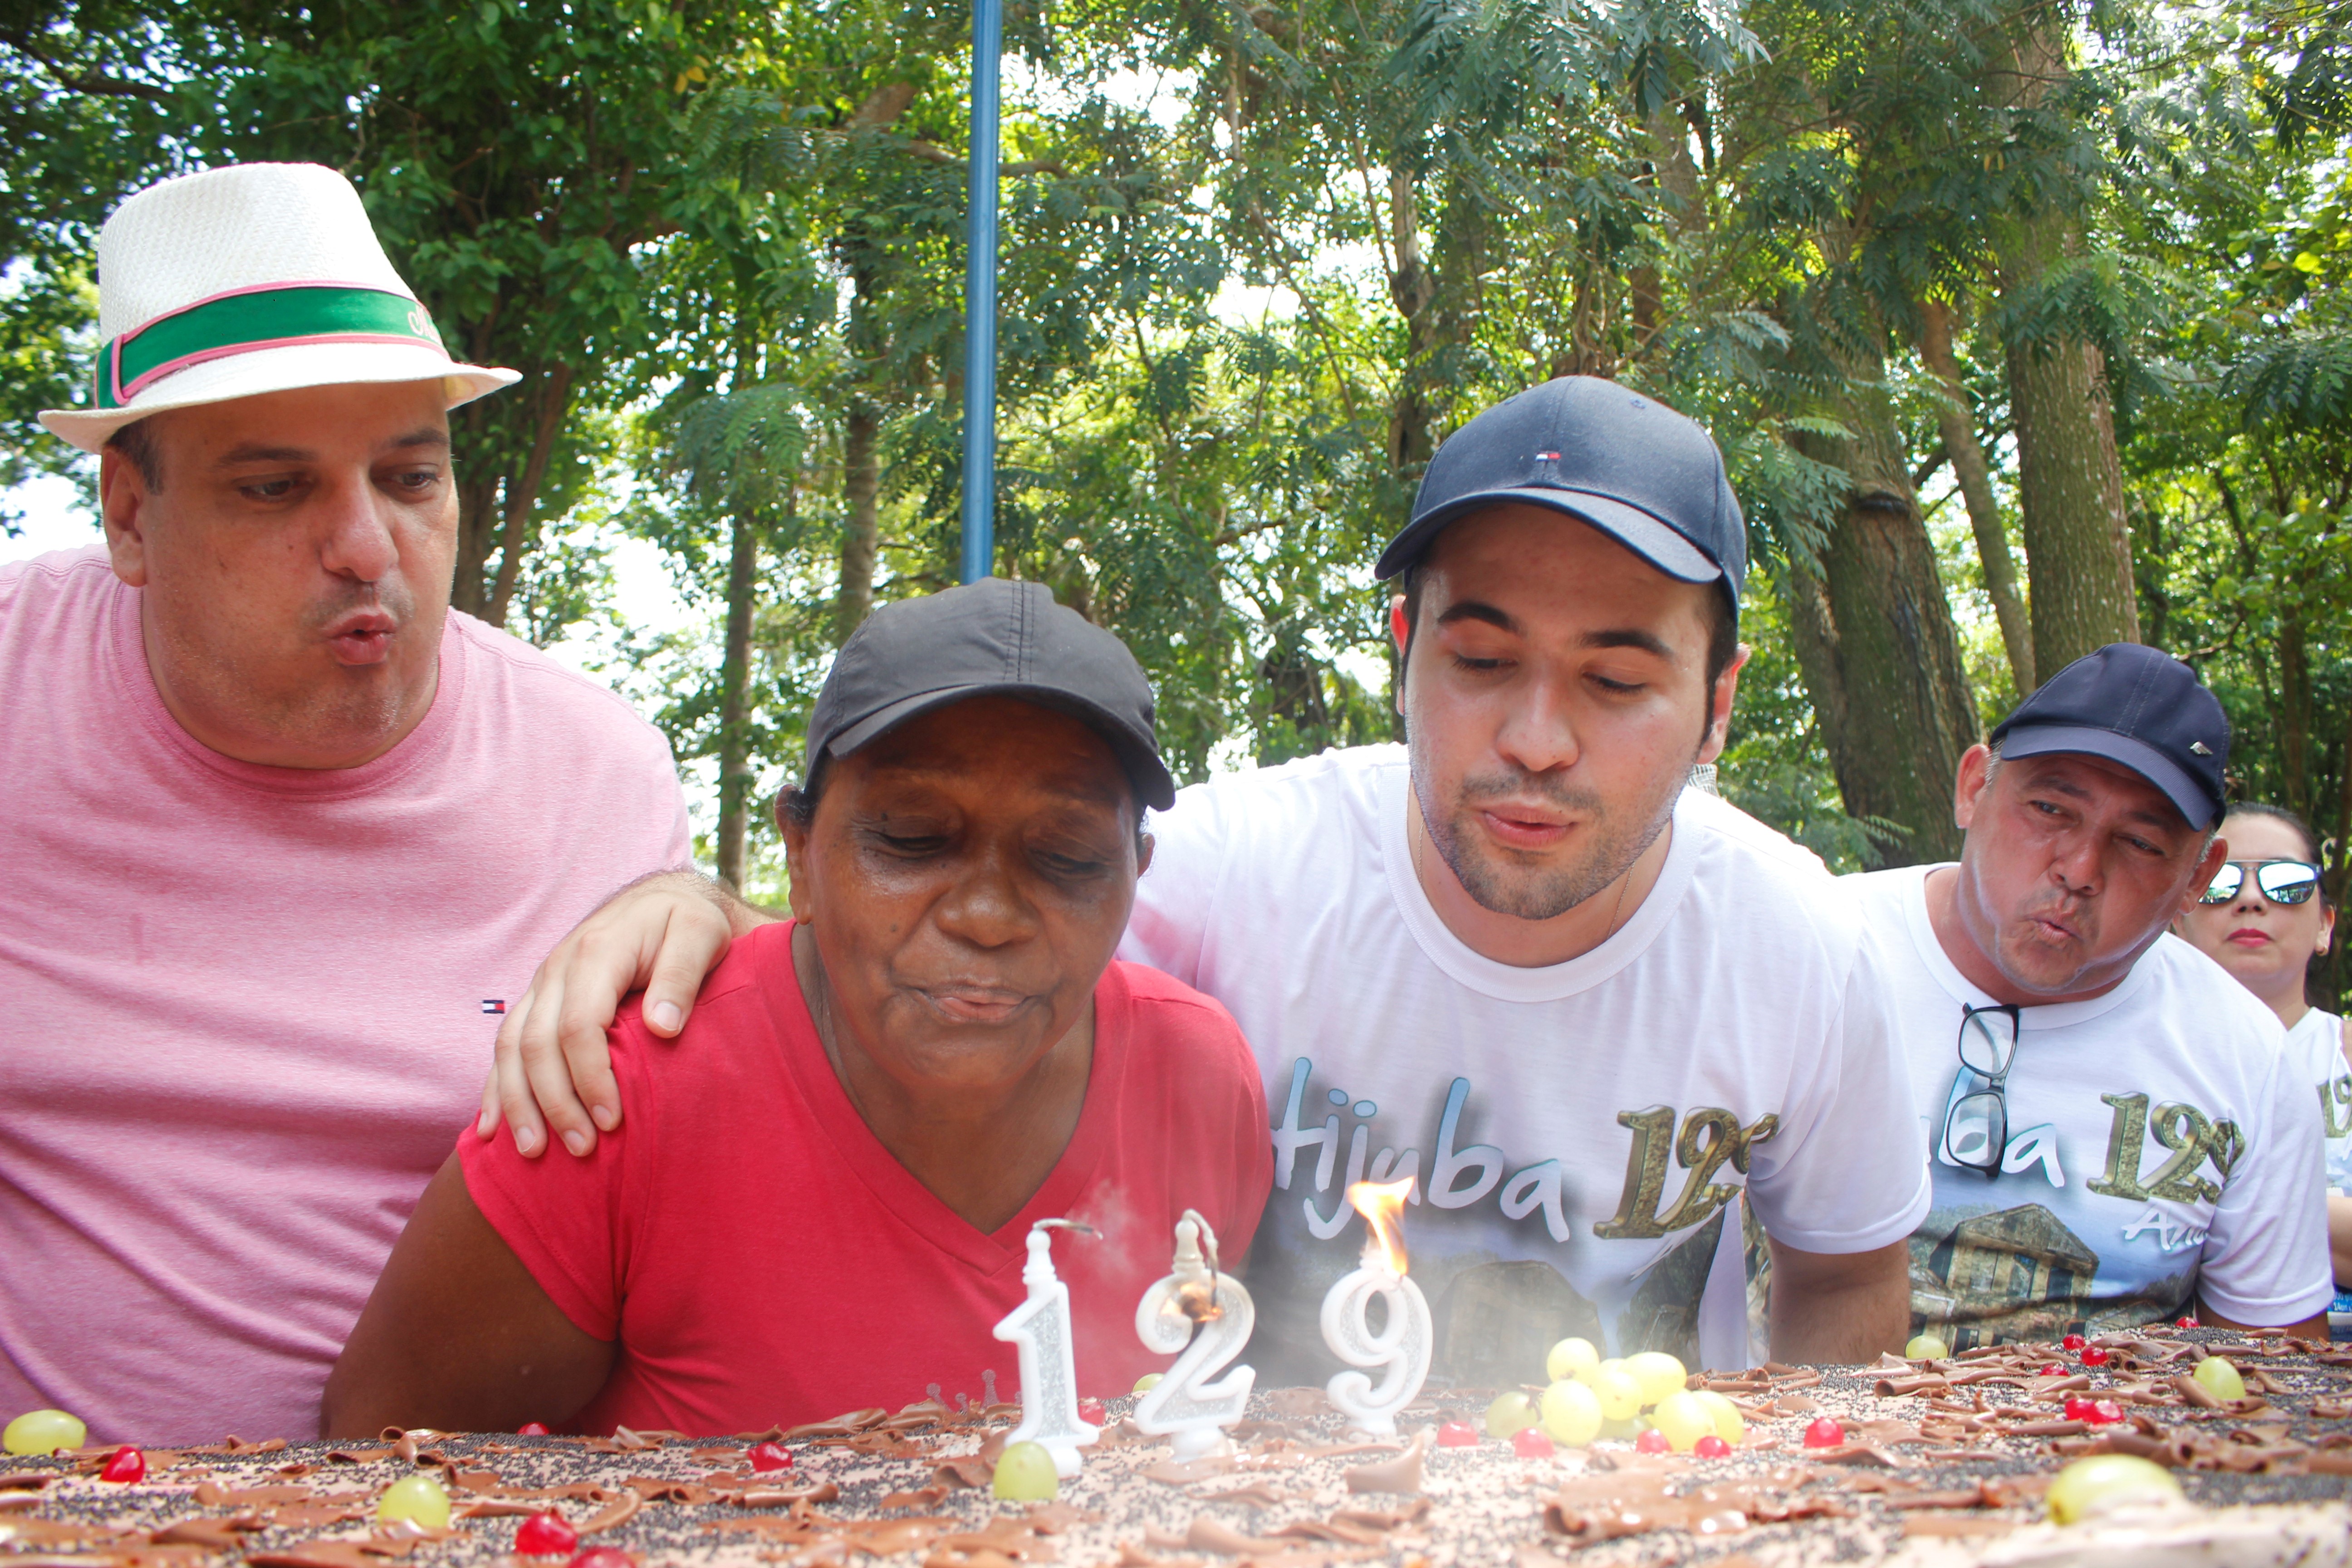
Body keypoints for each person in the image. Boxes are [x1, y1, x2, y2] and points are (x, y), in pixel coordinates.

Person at [475, 377, 1932, 1379]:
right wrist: (717, 913)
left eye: (1618, 682)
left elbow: (1849, 1276)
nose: (1535, 742)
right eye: (1481, 661)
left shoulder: (1799, 946)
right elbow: (939, 937)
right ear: (1401, 647)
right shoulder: (1243, 872)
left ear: (1722, 701)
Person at [0, 163, 689, 1444]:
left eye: (411, 479)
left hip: (464, 1511)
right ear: (130, 516)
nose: (368, 546)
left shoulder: (596, 773)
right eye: (274, 488)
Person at [323, 579, 1273, 1436]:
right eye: (911, 839)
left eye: (1067, 856)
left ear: (1136, 875)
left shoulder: (1198, 1079)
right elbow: (375, 1457)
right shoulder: (622, 1096)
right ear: (800, 852)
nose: (987, 915)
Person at [1847, 647, 2333, 1348]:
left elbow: (2275, 1373)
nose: (2079, 871)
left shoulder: (2246, 1056)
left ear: (2200, 876)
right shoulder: (1819, 953)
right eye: (2049, 808)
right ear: (1975, 786)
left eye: (2139, 842)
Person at [2171, 804, 2352, 1295]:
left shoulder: (2345, 1052)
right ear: (2174, 919)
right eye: (2221, 880)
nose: (2251, 898)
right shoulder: (2127, 1060)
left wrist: (2199, 1211)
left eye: (2288, 881)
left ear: (2325, 926)